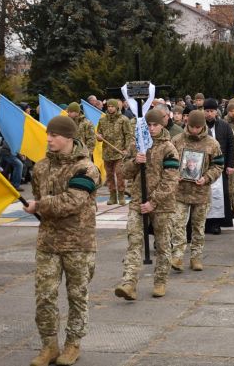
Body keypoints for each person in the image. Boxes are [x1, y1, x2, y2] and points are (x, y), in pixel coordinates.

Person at [24, 116, 101, 366]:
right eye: (48, 134)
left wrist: (40, 205)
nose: (48, 139)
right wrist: (36, 207)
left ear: (69, 137)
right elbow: (38, 198)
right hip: (48, 242)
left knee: (77, 297)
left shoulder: (86, 168)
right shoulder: (41, 167)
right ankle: (49, 346)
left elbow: (73, 201)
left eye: (54, 135)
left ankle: (72, 345)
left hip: (79, 243)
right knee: (44, 296)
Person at [114, 109, 179, 300]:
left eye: (155, 125)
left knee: (163, 244)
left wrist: (153, 202)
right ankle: (129, 283)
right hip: (137, 200)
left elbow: (170, 181)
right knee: (134, 241)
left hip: (162, 204)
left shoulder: (169, 148)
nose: (151, 129)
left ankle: (160, 280)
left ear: (162, 125)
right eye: (148, 125)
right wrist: (135, 161)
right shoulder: (136, 145)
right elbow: (124, 172)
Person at [170, 110, 224, 272]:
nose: (194, 130)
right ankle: (177, 256)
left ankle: (196, 257)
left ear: (203, 126)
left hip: (201, 192)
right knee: (178, 225)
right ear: (187, 124)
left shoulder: (212, 144)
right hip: (180, 191)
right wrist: (175, 174)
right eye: (192, 127)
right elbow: (168, 161)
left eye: (198, 127)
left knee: (198, 227)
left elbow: (218, 164)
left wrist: (207, 177)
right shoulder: (177, 141)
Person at [203, 98, 234, 234]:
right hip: (203, 167)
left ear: (216, 111)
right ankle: (204, 223)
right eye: (207, 111)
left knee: (218, 195)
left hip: (220, 166)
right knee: (205, 195)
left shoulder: (224, 126)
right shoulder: (199, 126)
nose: (209, 114)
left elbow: (231, 145)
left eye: (211, 111)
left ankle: (216, 223)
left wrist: (230, 164)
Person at [96, 99, 132, 205]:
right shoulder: (102, 120)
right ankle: (112, 196)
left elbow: (128, 135)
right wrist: (99, 137)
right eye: (108, 106)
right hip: (107, 152)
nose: (110, 108)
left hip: (119, 152)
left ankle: (121, 195)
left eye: (112, 106)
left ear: (117, 107)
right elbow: (99, 134)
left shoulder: (123, 119)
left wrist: (126, 148)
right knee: (109, 175)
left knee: (120, 174)